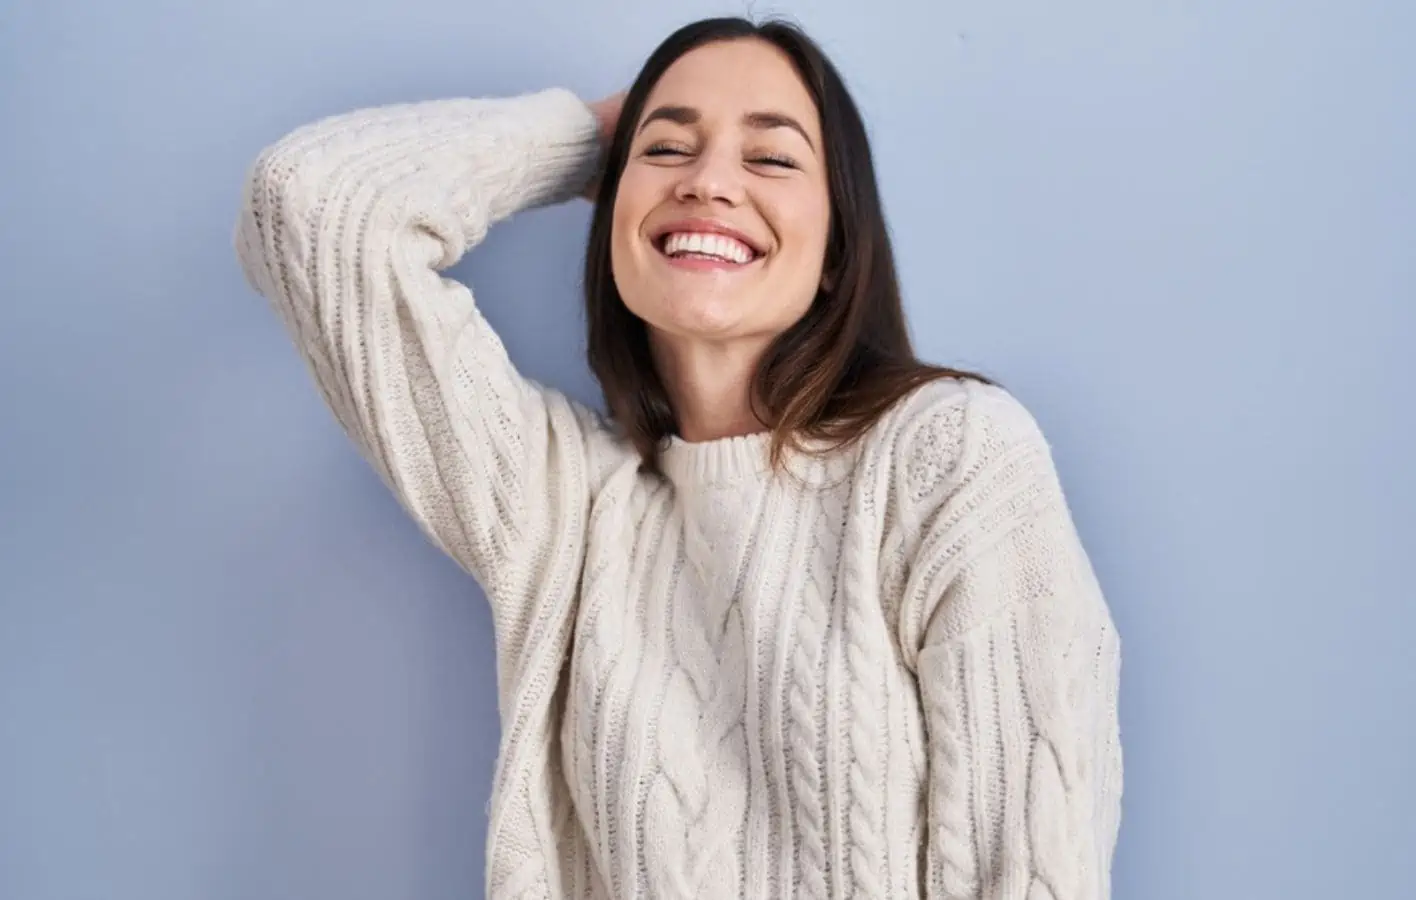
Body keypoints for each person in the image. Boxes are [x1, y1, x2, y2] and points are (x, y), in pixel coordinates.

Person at [234, 14, 1123, 900]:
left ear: (836, 251)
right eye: (667, 150)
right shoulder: (565, 505)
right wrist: (585, 137)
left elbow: (1035, 870)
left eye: (771, 159)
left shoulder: (946, 459)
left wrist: (648, 156)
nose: (708, 184)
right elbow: (308, 206)